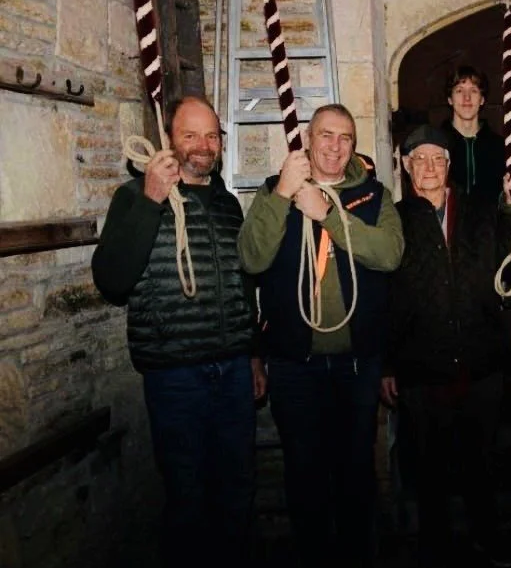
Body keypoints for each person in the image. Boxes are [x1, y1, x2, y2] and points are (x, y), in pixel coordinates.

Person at [91, 95, 263, 568]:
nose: (203, 145)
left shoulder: (228, 205)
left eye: (211, 135)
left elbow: (241, 285)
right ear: (171, 140)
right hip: (175, 377)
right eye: (190, 135)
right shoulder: (133, 196)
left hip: (231, 370)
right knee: (187, 497)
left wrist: (252, 354)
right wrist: (150, 200)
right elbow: (112, 279)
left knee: (238, 489)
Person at [237, 103, 404, 568]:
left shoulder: (373, 196)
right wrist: (284, 194)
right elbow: (250, 258)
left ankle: (358, 554)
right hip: (294, 364)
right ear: (308, 140)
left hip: (358, 364)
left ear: (354, 145)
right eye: (325, 136)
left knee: (356, 471)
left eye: (345, 137)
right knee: (305, 472)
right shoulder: (276, 190)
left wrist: (328, 214)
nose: (334, 146)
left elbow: (389, 253)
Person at [380, 124, 511, 568]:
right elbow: (383, 295)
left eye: (437, 158)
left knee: (482, 461)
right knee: (428, 466)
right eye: (418, 159)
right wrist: (387, 362)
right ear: (405, 168)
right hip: (422, 364)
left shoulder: (479, 210)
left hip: (480, 360)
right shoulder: (394, 220)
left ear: (449, 166)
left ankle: (488, 535)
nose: (428, 167)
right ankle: (435, 544)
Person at [438, 64, 506, 202]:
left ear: (482, 99)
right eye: (459, 91)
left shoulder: (500, 147)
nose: (467, 98)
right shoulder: (436, 145)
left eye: (473, 91)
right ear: (450, 99)